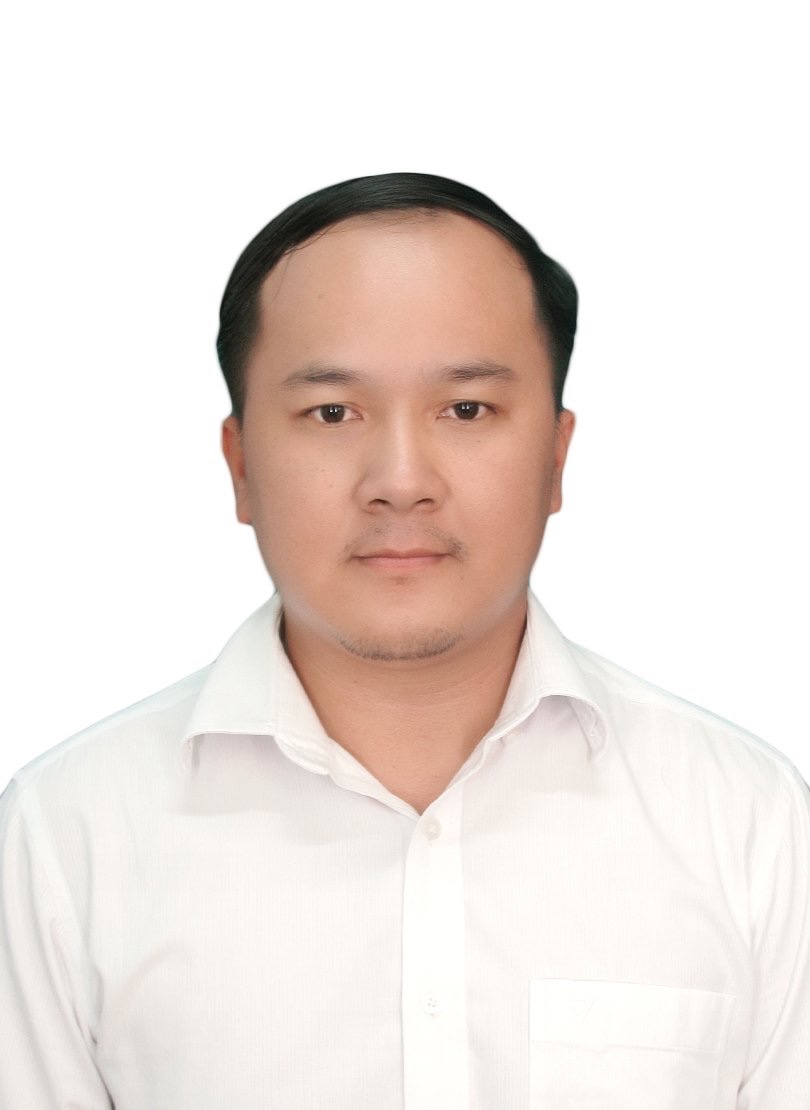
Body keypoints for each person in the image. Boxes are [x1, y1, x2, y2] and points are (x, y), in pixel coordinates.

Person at [1, 172, 807, 1109]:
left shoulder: (751, 827)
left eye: (466, 409)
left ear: (555, 457)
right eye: (332, 412)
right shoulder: (64, 838)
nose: (399, 479)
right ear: (241, 465)